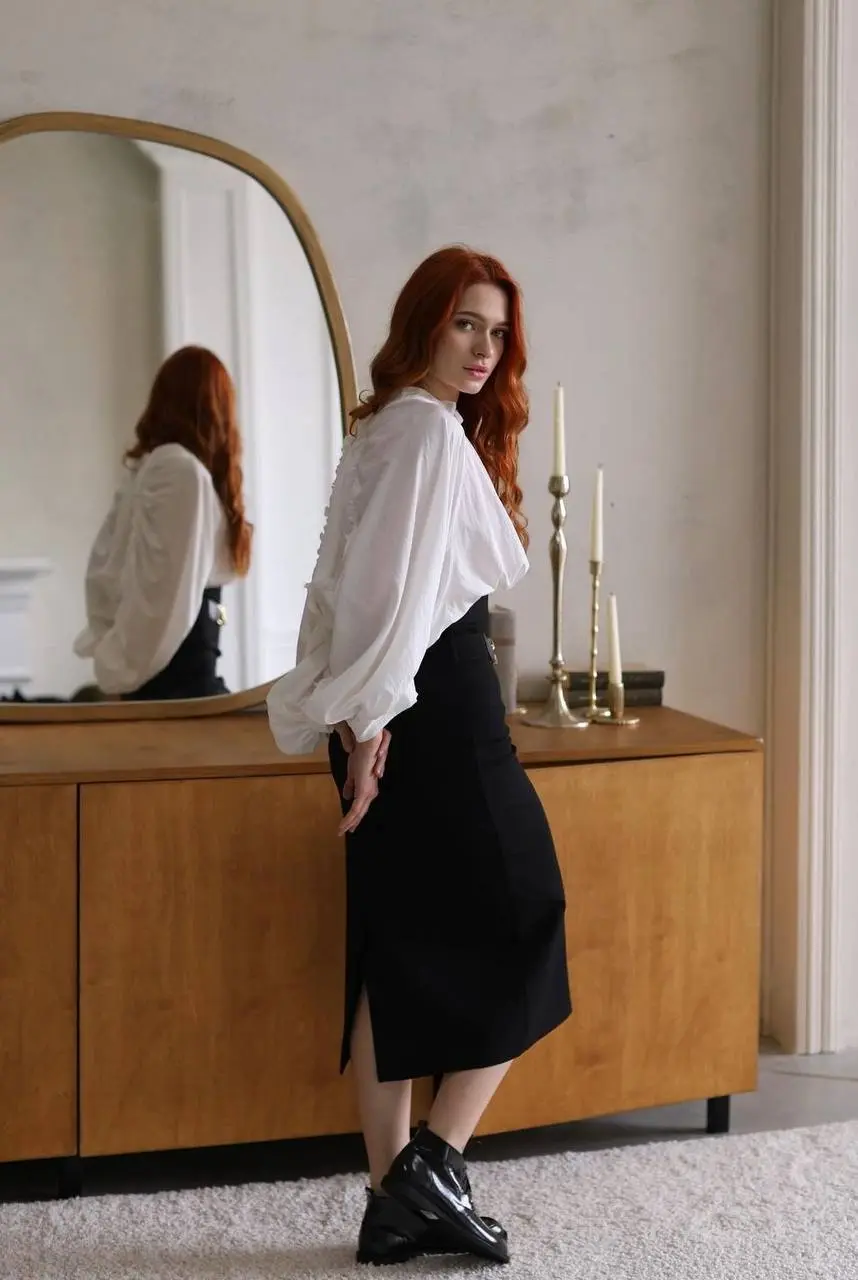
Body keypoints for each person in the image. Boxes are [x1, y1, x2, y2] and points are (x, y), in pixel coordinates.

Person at [267, 246, 572, 1266]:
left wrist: (355, 721)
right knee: (529, 908)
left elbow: (342, 593)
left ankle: (389, 1200)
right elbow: (381, 601)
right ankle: (433, 1164)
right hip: (427, 707)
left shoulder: (392, 426)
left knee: (393, 950)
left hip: (391, 707)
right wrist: (370, 724)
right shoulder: (426, 433)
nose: (483, 348)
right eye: (464, 324)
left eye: (497, 331)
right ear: (425, 325)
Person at [73, 346, 253, 701]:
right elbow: (166, 597)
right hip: (176, 686)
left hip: (170, 678)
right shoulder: (178, 470)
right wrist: (123, 670)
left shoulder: (161, 468)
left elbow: (110, 575)